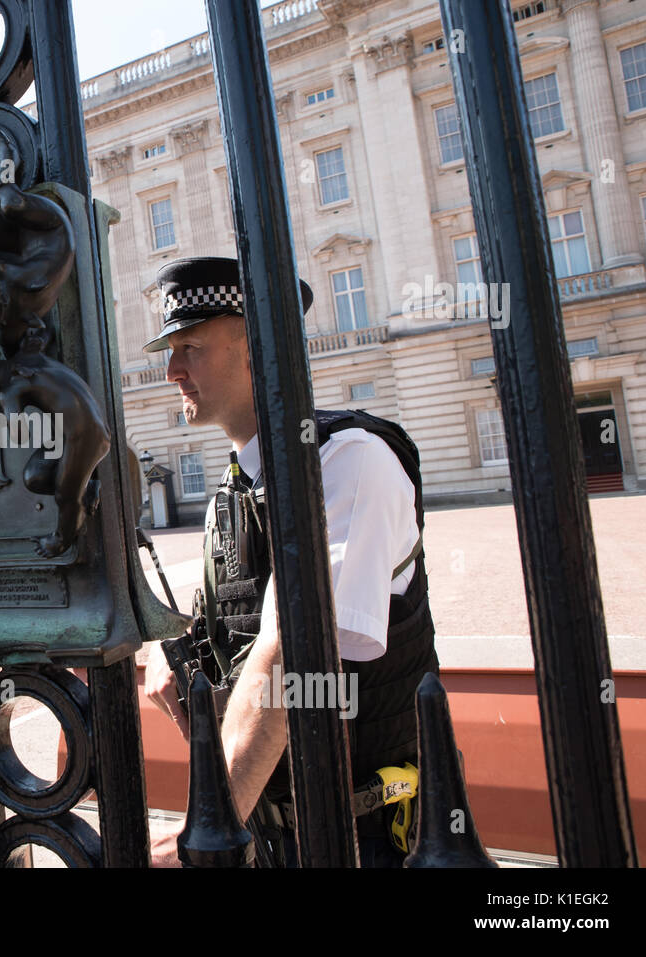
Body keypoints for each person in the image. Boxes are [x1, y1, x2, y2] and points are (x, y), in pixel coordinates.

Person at [141, 257, 440, 868]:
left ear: (257, 348)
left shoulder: (348, 460)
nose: (171, 370)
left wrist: (212, 820)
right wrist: (172, 653)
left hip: (364, 834)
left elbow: (292, 653)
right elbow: (238, 630)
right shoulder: (236, 487)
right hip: (271, 832)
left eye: (190, 346)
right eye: (170, 349)